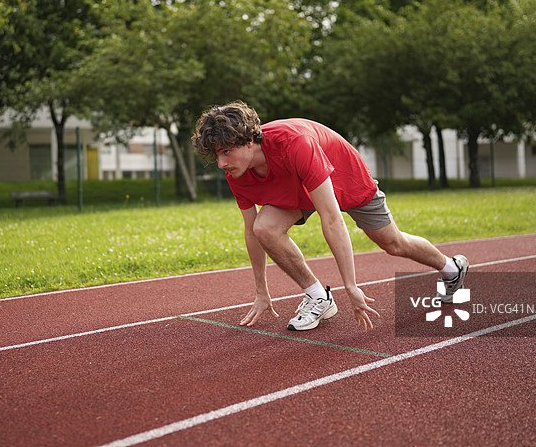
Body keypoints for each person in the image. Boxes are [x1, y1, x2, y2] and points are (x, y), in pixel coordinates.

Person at [191, 101, 469, 332]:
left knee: (393, 243)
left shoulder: (295, 144)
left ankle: (450, 268)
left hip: (343, 177)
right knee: (265, 228)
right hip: (294, 183)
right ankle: (318, 296)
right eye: (217, 155)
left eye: (227, 152)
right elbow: (251, 232)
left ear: (250, 141)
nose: (222, 163)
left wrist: (351, 285)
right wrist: (261, 291)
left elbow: (332, 218)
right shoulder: (236, 171)